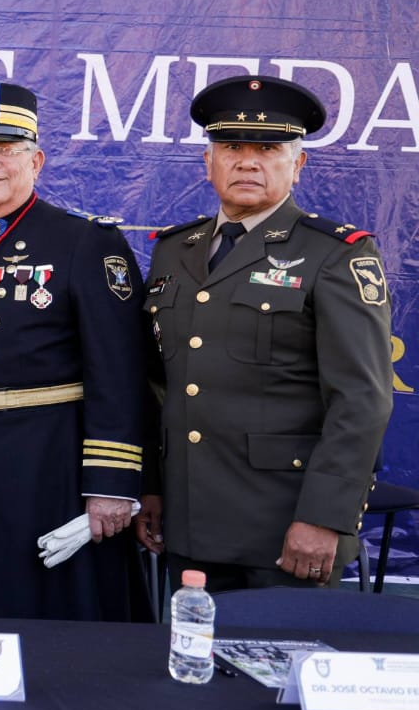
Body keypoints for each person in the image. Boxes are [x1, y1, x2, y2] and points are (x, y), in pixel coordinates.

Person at [0, 78, 147, 621]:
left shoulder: (85, 242)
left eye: (6, 151)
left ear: (36, 161)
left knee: (45, 624)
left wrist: (111, 484)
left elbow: (120, 372)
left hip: (45, 467)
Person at [136, 75, 392, 590]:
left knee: (281, 666)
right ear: (208, 162)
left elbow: (362, 400)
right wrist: (151, 489)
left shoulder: (336, 254)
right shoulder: (173, 249)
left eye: (268, 148)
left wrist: (324, 517)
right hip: (186, 522)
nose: (247, 161)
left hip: (285, 529)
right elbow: (156, 385)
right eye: (230, 146)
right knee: (187, 666)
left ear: (297, 165)